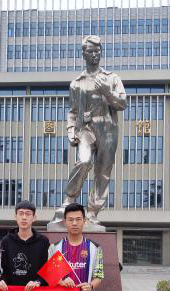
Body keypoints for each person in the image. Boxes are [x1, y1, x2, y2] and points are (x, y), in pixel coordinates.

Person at [50, 35, 126, 226]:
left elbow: (122, 103)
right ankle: (70, 199)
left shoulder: (112, 78)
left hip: (108, 129)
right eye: (90, 52)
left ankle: (92, 211)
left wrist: (107, 91)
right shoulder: (77, 83)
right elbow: (72, 111)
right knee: (84, 161)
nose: (94, 55)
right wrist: (70, 130)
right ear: (84, 54)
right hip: (86, 128)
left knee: (103, 171)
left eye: (97, 51)